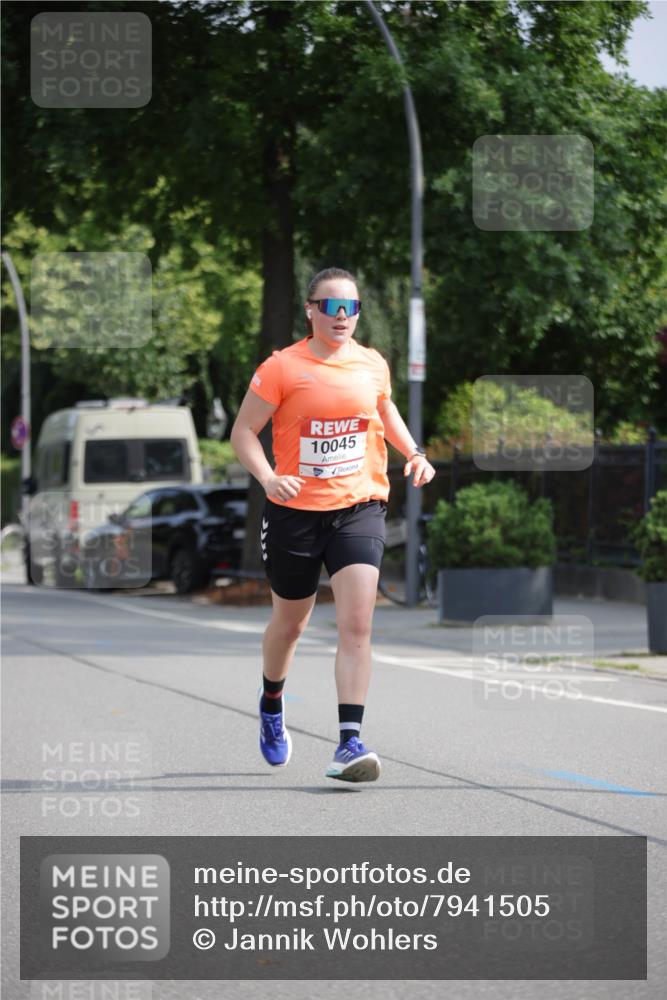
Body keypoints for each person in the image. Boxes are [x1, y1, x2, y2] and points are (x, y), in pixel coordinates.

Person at [230, 267, 435, 782]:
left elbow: (383, 411)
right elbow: (243, 433)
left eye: (351, 308)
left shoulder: (372, 364)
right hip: (294, 513)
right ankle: (272, 702)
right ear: (311, 310)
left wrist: (413, 451)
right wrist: (269, 477)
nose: (342, 317)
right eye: (331, 307)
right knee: (291, 624)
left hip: (358, 507)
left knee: (357, 624)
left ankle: (349, 742)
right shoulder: (282, 368)